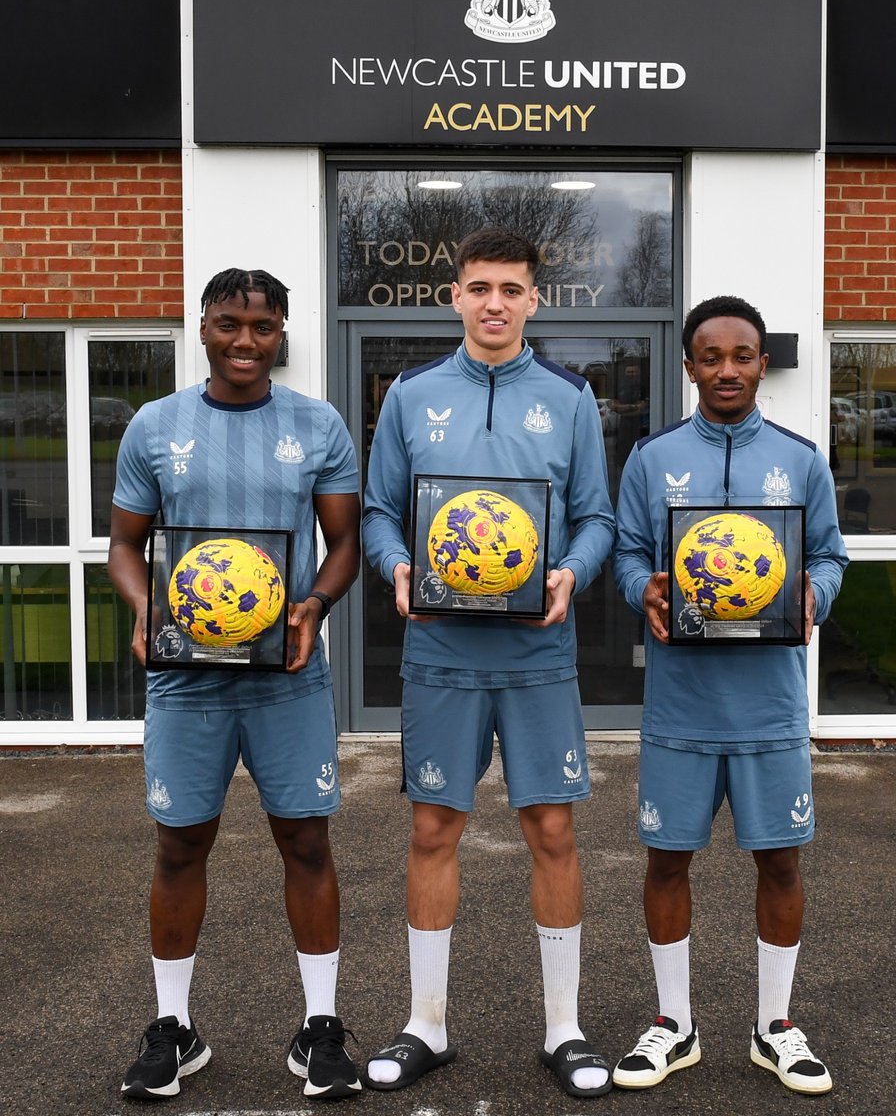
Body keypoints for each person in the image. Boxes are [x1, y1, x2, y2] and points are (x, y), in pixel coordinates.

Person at [361, 228, 616, 1100]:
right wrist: (397, 565)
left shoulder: (572, 397)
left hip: (539, 652)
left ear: (534, 299)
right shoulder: (411, 393)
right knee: (435, 828)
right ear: (455, 296)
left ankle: (565, 1029)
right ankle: (425, 1024)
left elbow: (596, 518)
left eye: (511, 288)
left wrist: (572, 572)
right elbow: (377, 511)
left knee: (552, 828)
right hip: (440, 650)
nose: (495, 302)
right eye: (479, 287)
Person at [108, 268, 362, 1102]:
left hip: (284, 673)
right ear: (204, 327)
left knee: (307, 841)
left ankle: (319, 1030)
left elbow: (343, 545)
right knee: (181, 843)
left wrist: (314, 607)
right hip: (188, 678)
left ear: (282, 329)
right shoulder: (156, 425)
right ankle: (173, 1031)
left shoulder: (317, 423)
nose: (244, 341)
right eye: (228, 324)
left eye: (260, 325)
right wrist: (147, 609)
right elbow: (124, 547)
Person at [611, 295, 847, 1097]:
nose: (726, 371)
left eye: (741, 356)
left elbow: (829, 556)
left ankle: (774, 1026)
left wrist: (815, 592)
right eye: (710, 357)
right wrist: (643, 585)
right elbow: (628, 552)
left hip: (769, 706)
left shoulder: (800, 456)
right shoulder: (652, 458)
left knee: (779, 862)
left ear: (761, 363)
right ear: (689, 366)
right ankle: (674, 1023)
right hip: (680, 707)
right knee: (667, 859)